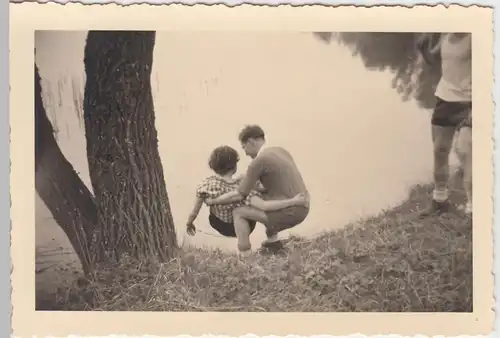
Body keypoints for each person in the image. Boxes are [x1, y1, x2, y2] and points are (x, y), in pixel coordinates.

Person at [205, 125, 310, 255]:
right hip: (304, 205)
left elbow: (239, 194)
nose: (246, 153)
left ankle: (245, 254)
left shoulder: (258, 162)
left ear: (251, 142)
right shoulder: (280, 150)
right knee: (263, 196)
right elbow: (275, 181)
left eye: (244, 148)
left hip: (291, 212)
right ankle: (273, 242)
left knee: (239, 212)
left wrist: (214, 200)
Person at [185, 145, 309, 240]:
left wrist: (189, 223)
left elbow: (194, 211)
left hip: (218, 223)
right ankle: (247, 249)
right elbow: (264, 206)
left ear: (213, 166)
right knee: (258, 203)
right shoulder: (244, 188)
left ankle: (269, 241)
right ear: (234, 167)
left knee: (248, 203)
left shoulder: (206, 185)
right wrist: (293, 201)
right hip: (243, 225)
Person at [416, 33, 472, 217]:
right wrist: (424, 49)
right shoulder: (446, 35)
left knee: (466, 152)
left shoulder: (476, 36)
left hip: (469, 102)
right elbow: (436, 61)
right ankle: (440, 200)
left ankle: (474, 206)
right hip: (445, 99)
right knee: (440, 150)